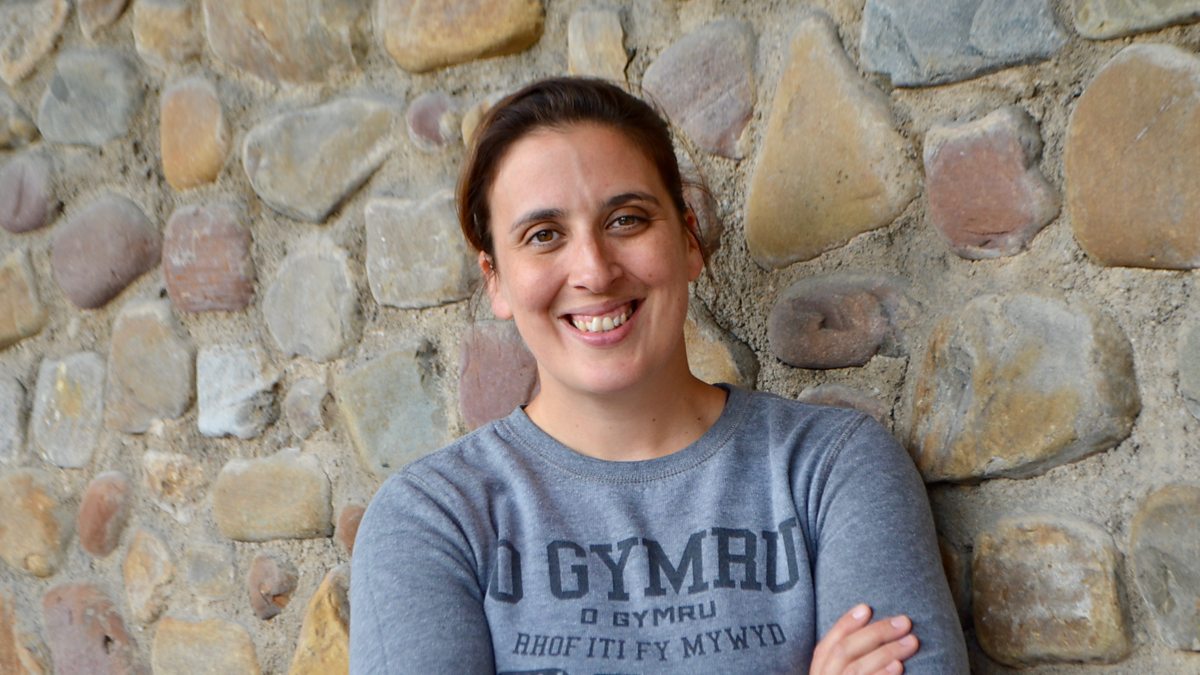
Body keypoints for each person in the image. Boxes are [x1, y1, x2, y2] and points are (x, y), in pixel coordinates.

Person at [350, 77, 968, 674]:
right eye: (544, 235)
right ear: (497, 281)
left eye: (626, 219)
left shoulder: (831, 470)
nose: (594, 270)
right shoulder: (433, 520)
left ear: (689, 239)